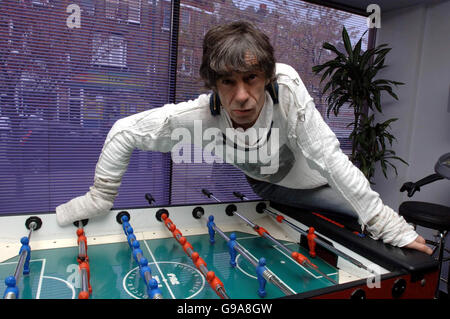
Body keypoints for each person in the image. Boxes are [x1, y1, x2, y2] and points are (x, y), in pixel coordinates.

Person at [55, 21, 431, 255]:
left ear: (266, 77)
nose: (241, 96)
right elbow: (124, 132)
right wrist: (99, 197)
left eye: (250, 78)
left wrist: (389, 226)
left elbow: (330, 160)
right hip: (269, 187)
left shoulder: (288, 91)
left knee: (366, 221)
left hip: (318, 183)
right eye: (227, 81)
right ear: (214, 84)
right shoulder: (201, 115)